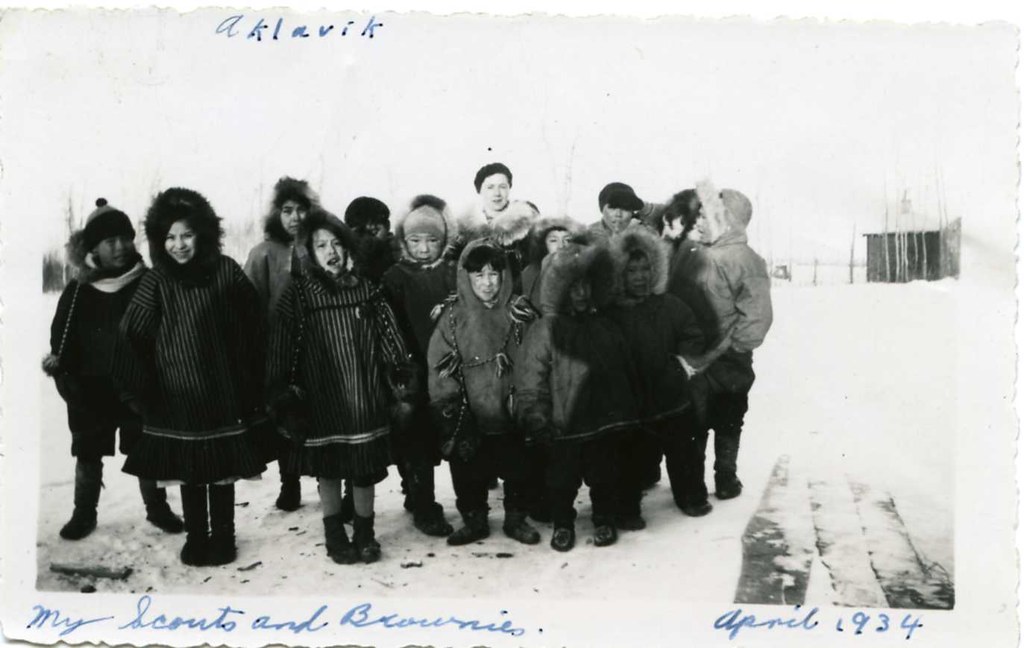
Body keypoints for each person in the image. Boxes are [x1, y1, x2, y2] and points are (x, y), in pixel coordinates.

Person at [116, 187, 266, 567]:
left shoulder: (226, 271)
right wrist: (140, 388)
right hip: (175, 394)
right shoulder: (157, 281)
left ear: (203, 234)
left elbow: (253, 322)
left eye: (186, 235)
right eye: (169, 237)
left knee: (221, 470)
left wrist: (248, 373)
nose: (178, 245)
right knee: (190, 471)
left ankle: (225, 536)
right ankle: (197, 537)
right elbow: (132, 333)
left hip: (222, 391)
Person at [268, 208, 412, 564]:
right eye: (321, 246)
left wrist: (400, 378)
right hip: (321, 399)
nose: (331, 252)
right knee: (328, 469)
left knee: (364, 470)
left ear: (348, 248)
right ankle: (335, 534)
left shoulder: (368, 291)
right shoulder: (299, 296)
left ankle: (365, 532)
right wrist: (284, 395)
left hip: (364, 397)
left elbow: (391, 339)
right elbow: (281, 348)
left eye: (336, 244)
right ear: (311, 254)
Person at [42, 198, 184, 540]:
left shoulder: (148, 282)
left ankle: (158, 508)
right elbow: (61, 337)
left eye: (125, 238)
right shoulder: (78, 290)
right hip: (90, 389)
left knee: (146, 449)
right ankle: (83, 513)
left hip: (137, 387)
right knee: (88, 452)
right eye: (110, 241)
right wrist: (68, 380)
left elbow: (165, 333)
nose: (120, 247)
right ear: (95, 248)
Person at [515, 243, 640, 551]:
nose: (581, 294)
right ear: (558, 290)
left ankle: (604, 518)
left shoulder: (605, 325)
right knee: (561, 480)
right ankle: (562, 523)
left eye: (586, 286)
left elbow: (623, 369)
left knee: (604, 474)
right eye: (573, 288)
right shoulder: (546, 329)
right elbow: (532, 376)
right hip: (563, 423)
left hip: (601, 421)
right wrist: (536, 414)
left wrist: (625, 410)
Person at [427, 240, 541, 546]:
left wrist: (529, 400)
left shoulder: (520, 312)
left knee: (518, 468)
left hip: (511, 412)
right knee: (468, 471)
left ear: (504, 275)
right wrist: (450, 406)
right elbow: (439, 364)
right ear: (467, 278)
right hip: (470, 415)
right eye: (479, 275)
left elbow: (537, 357)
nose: (488, 283)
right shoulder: (453, 317)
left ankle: (516, 517)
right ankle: (474, 518)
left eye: (494, 274)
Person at [606, 225, 710, 525]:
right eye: (631, 270)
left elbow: (693, 336)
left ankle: (690, 496)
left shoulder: (669, 306)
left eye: (645, 269)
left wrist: (680, 366)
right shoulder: (612, 312)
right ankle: (626, 508)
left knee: (684, 449)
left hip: (670, 395)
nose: (639, 277)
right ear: (619, 274)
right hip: (630, 401)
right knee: (626, 453)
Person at [380, 195, 459, 538]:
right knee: (415, 440)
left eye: (431, 240)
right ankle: (422, 503)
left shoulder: (452, 274)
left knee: (451, 435)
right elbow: (386, 323)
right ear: (403, 241)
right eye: (415, 241)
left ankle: (466, 500)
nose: (424, 248)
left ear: (443, 241)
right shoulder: (395, 277)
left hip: (447, 369)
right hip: (410, 371)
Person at [690, 183, 773, 501]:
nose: (699, 221)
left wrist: (736, 348)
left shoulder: (744, 259)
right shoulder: (699, 254)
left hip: (729, 359)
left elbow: (757, 314)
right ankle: (693, 482)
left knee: (727, 416)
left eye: (707, 216)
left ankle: (725, 476)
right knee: (694, 420)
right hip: (696, 356)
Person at [243, 176, 318, 513]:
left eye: (301, 210)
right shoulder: (262, 254)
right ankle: (290, 484)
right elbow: (248, 302)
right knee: (286, 415)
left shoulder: (319, 246)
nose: (295, 217)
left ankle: (327, 479)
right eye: (287, 210)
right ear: (276, 213)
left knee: (320, 414)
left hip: (318, 348)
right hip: (278, 349)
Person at [519, 215, 586, 306]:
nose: (561, 246)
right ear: (543, 244)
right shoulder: (531, 273)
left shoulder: (586, 271)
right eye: (553, 240)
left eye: (568, 240)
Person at [345, 196, 400, 283]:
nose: (368, 240)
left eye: (374, 232)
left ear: (388, 226)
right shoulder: (342, 260)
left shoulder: (401, 256)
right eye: (362, 233)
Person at [587, 182, 660, 244]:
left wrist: (643, 206)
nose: (618, 214)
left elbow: (665, 214)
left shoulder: (645, 234)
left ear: (632, 212)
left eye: (625, 208)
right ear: (602, 209)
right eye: (613, 208)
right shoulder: (588, 235)